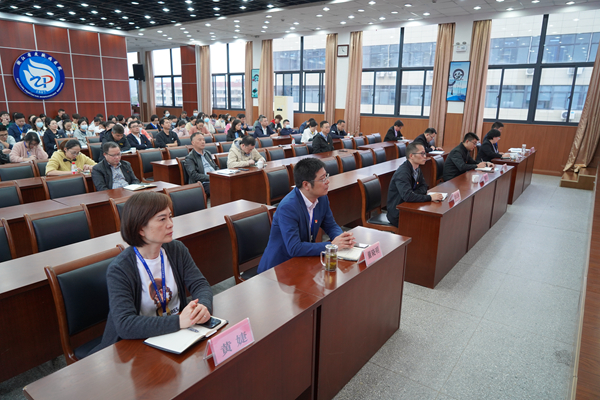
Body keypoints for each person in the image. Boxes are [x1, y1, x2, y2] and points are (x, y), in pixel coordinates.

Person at [88, 191, 214, 356]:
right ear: (141, 229)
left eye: (170, 217)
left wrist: (203, 306)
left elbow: (200, 284)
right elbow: (125, 324)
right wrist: (178, 321)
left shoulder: (176, 250)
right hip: (136, 345)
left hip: (178, 334)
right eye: (162, 219)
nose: (170, 224)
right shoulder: (120, 269)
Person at [257, 158, 356, 273]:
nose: (327, 181)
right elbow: (294, 248)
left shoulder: (322, 198)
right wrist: (332, 245)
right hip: (279, 267)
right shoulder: (288, 207)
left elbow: (331, 225)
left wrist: (342, 239)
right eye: (322, 179)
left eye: (326, 176)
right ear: (306, 185)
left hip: (303, 260)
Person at [386, 143, 444, 227]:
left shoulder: (417, 169)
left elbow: (424, 187)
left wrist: (413, 194)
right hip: (398, 214)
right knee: (428, 222)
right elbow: (408, 196)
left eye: (425, 153)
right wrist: (430, 198)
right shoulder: (403, 173)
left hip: (410, 206)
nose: (425, 156)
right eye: (422, 154)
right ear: (411, 156)